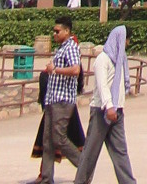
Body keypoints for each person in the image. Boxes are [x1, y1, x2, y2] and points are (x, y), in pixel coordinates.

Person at [73, 24, 138, 184]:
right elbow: (102, 85)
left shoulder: (120, 59)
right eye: (126, 40)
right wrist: (109, 106)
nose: (127, 44)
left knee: (120, 152)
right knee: (91, 152)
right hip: (102, 111)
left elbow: (119, 84)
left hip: (117, 111)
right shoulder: (103, 59)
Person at [35, 18, 85, 184]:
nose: (54, 34)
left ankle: (84, 168)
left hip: (62, 101)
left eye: (57, 31)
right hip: (52, 100)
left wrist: (55, 70)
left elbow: (76, 69)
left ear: (66, 31)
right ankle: (46, 178)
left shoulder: (71, 47)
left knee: (59, 138)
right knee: (47, 141)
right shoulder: (61, 48)